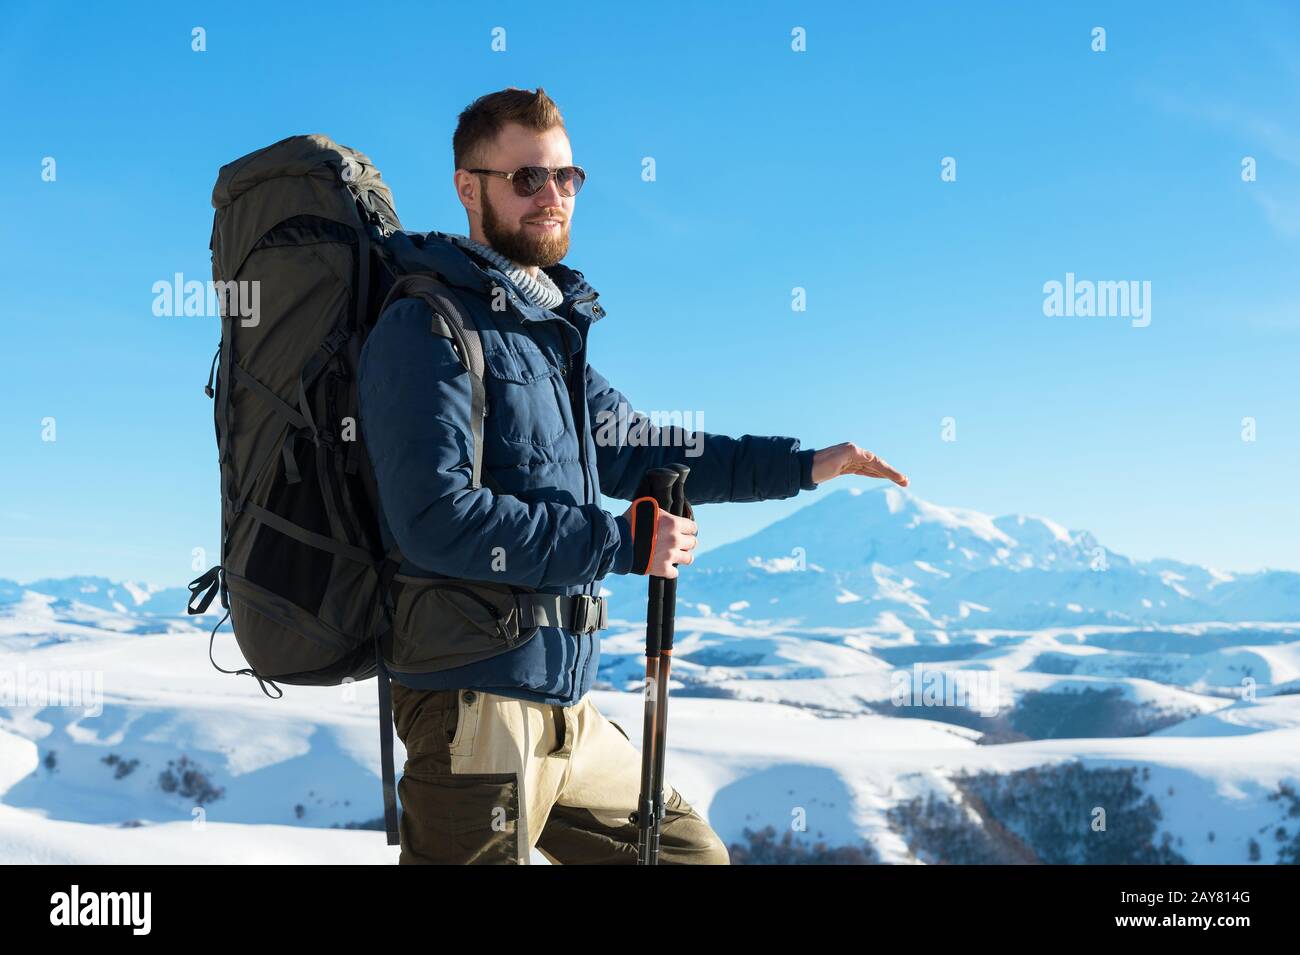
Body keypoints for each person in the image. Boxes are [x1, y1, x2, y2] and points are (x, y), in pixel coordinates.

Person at [357, 87, 908, 864]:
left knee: (687, 855)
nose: (552, 196)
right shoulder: (426, 328)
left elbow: (649, 449)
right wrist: (620, 541)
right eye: (526, 179)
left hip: (562, 704)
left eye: (565, 177)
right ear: (467, 188)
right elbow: (437, 518)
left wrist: (807, 465)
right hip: (473, 702)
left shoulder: (547, 340)